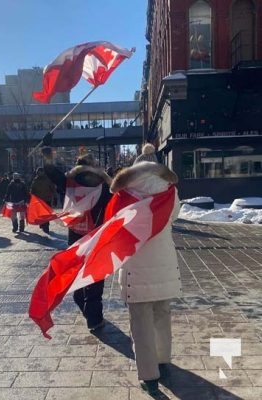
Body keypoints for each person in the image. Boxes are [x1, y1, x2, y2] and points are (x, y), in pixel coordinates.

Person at [109, 160, 181, 395]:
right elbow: (173, 218)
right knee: (162, 316)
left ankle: (149, 377)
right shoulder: (170, 191)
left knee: (141, 325)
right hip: (164, 264)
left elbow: (114, 227)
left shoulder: (123, 196)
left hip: (136, 267)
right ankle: (163, 361)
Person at [43, 148, 112, 331]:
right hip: (98, 237)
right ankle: (94, 319)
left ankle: (83, 304)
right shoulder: (104, 186)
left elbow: (50, 171)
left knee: (77, 274)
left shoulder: (69, 184)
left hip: (76, 239)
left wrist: (48, 153)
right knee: (95, 276)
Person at [29, 167, 56, 234]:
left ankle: (46, 225)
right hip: (39, 200)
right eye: (38, 172)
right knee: (41, 214)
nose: (39, 173)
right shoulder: (35, 180)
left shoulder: (48, 180)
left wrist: (55, 197)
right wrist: (31, 197)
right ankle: (42, 224)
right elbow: (32, 189)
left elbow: (53, 188)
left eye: (40, 172)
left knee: (46, 214)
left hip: (47, 199)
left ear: (43, 172)